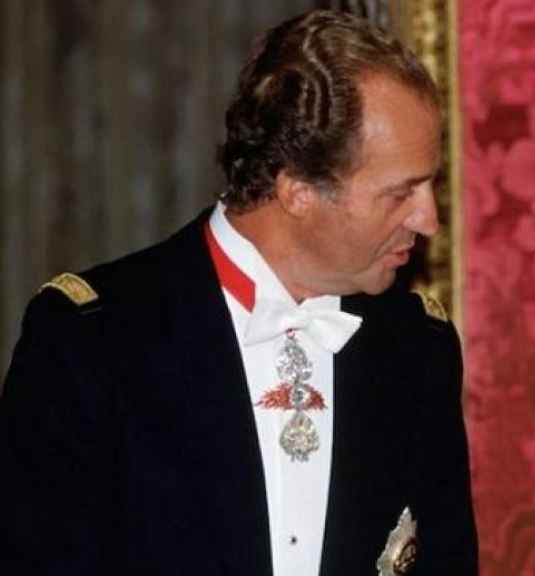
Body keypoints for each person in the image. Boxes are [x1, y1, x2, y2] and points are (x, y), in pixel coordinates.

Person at [0, 10, 477, 576]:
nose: (429, 220)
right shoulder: (91, 344)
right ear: (297, 189)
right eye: (400, 193)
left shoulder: (418, 348)